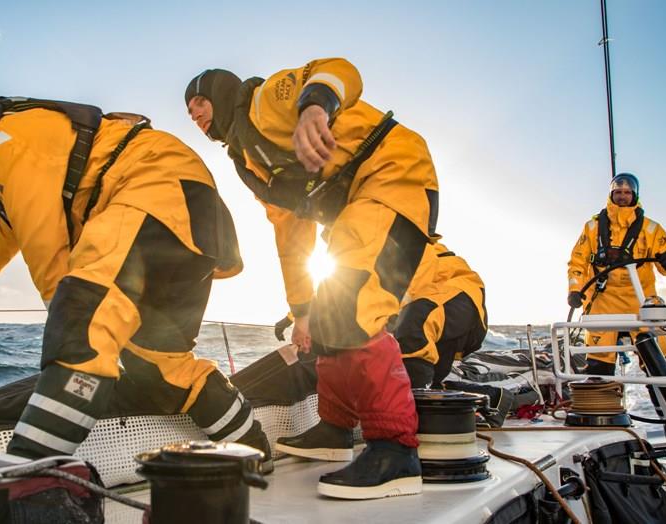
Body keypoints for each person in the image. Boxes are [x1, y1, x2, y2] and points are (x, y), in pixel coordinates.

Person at [0, 86, 273, 471]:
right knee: (162, 368)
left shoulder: (5, 140)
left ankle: (25, 482)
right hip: (192, 212)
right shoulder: (20, 147)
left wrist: (71, 316)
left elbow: (43, 241)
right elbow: (3, 235)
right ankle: (256, 452)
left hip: (151, 190)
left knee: (84, 325)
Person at [185, 58, 439, 499]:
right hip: (353, 208)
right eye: (188, 111)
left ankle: (396, 452)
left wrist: (315, 107)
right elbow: (290, 233)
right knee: (324, 322)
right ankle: (335, 431)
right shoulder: (249, 160)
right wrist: (301, 311)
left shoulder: (265, 102)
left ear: (221, 93)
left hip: (393, 175)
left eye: (199, 101)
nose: (194, 114)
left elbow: (336, 69)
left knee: (352, 307)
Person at [567, 173, 666, 375]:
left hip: (642, 301)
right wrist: (575, 290)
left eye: (627, 192)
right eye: (618, 192)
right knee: (599, 365)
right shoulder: (592, 227)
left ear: (635, 195)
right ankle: (601, 405)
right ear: (611, 194)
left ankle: (665, 406)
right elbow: (577, 262)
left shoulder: (651, 229)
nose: (622, 196)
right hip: (603, 302)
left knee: (660, 365)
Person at [395, 241, 488, 389]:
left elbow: (412, 290)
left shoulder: (406, 241)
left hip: (459, 294)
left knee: (415, 324)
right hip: (441, 333)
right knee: (433, 381)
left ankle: (414, 401)